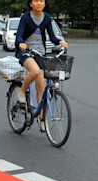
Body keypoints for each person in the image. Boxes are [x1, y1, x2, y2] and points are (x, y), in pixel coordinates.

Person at [14, 0, 68, 131]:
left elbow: (52, 37)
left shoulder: (47, 18)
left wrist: (60, 41)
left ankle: (41, 118)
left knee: (41, 87)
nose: (39, 3)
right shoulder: (26, 17)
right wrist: (21, 43)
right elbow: (19, 36)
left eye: (41, 1)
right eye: (36, 1)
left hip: (40, 53)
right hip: (26, 52)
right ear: (31, 4)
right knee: (35, 71)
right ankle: (21, 91)